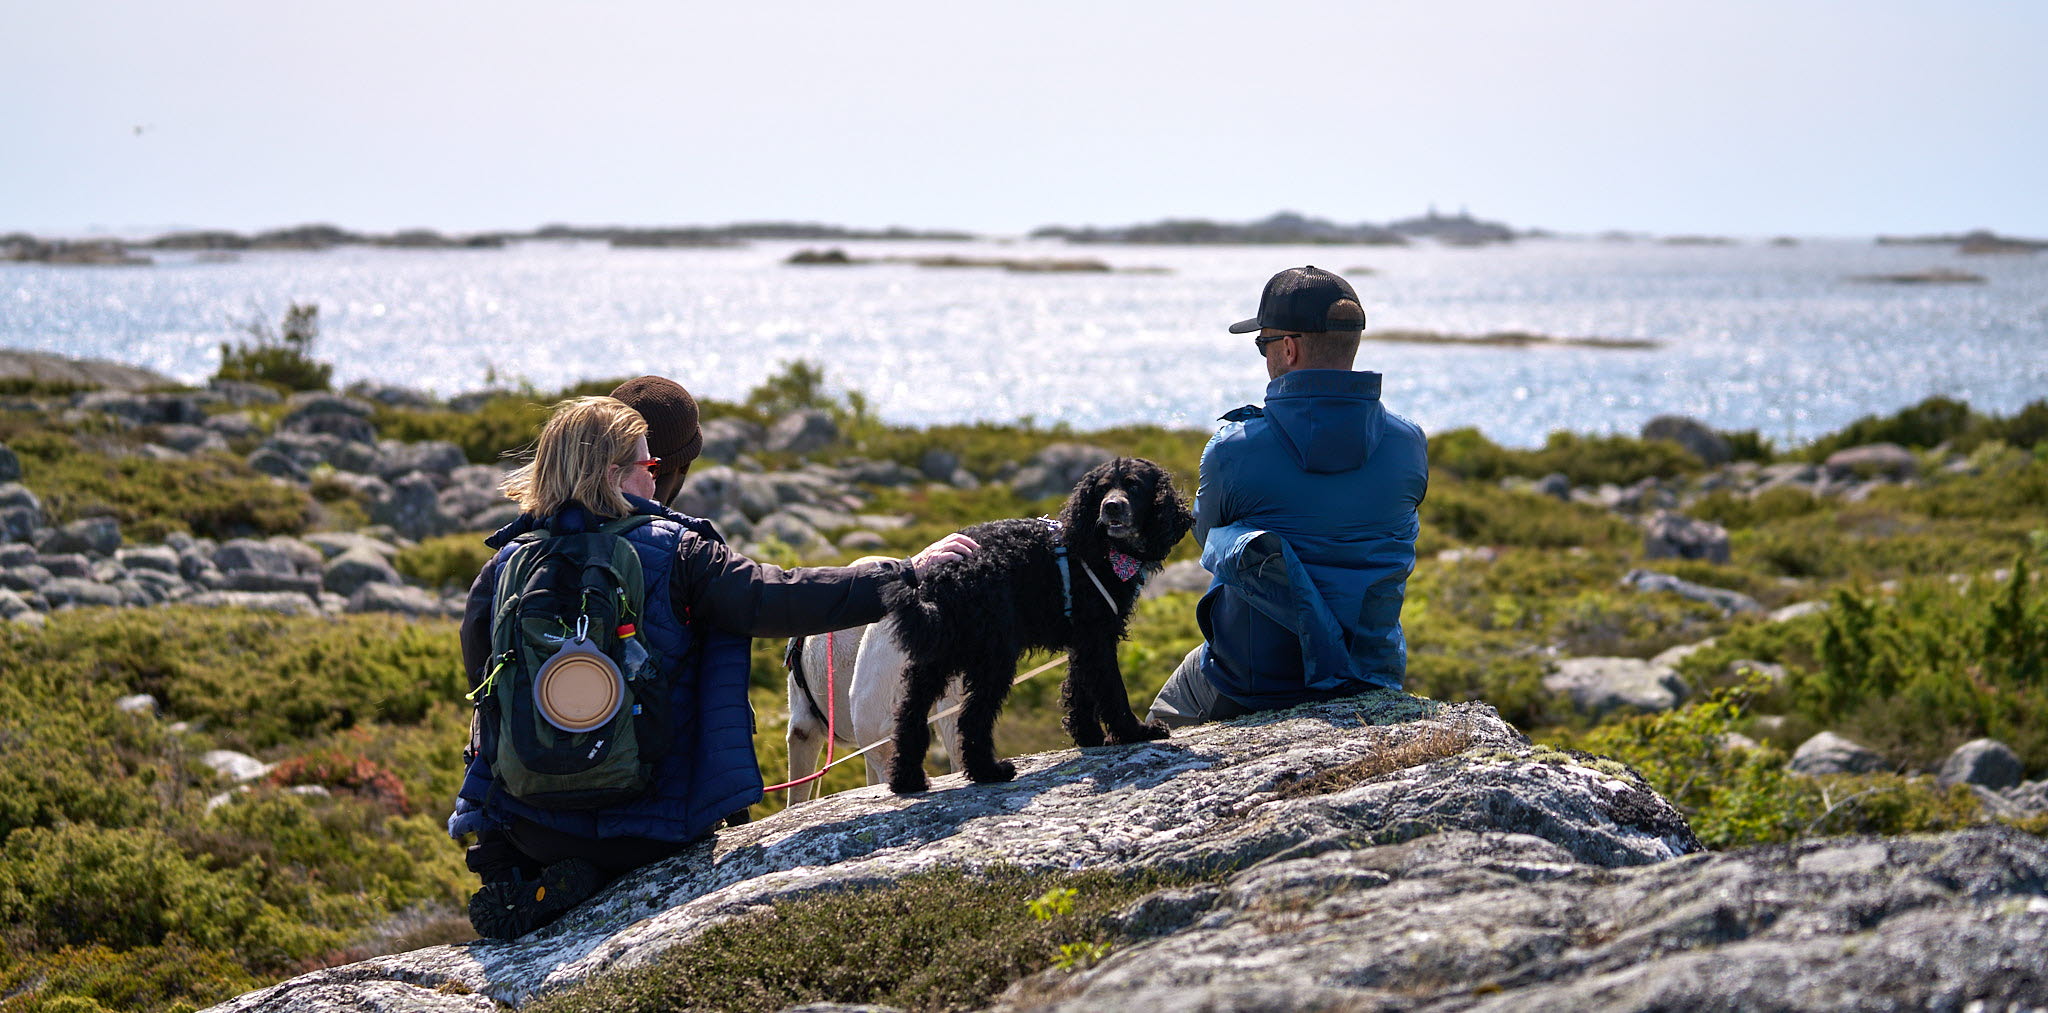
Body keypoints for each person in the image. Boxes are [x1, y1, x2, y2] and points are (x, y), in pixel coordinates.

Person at [448, 395, 976, 939]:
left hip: (535, 828)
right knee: (644, 837)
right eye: (648, 467)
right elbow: (781, 597)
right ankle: (605, 868)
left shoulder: (503, 568)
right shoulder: (681, 551)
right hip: (658, 826)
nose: (656, 482)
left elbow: (486, 697)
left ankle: (534, 875)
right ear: (615, 475)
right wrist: (905, 574)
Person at [1146, 266, 1428, 727]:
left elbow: (1207, 535)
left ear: (1289, 349)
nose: (1264, 355)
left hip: (1256, 678)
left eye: (1263, 344)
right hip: (1372, 673)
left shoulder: (1233, 449)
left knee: (1166, 717)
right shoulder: (1409, 442)